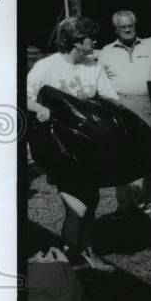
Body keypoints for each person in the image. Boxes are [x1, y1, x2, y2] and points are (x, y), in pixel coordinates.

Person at [27, 16, 119, 272]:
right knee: (77, 207)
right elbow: (22, 97)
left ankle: (88, 256)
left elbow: (110, 97)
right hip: (60, 149)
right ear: (77, 41)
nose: (95, 42)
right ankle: (69, 259)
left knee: (91, 202)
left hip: (89, 146)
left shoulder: (92, 66)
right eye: (91, 38)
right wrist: (38, 108)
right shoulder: (46, 67)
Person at [98, 10, 151, 218]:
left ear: (135, 25)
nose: (128, 29)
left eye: (131, 25)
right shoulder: (107, 51)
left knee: (141, 153)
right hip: (117, 105)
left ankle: (138, 205)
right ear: (116, 29)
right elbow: (98, 81)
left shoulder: (150, 44)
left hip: (144, 104)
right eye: (123, 27)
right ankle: (123, 206)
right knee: (120, 155)